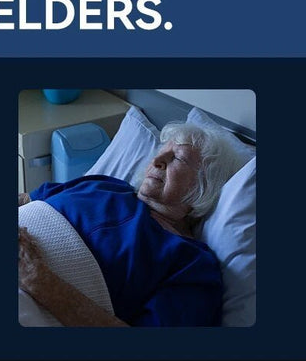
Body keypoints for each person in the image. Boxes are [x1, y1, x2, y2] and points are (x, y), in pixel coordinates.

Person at [17, 122, 233, 326]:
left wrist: (38, 279)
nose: (158, 160)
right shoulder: (106, 184)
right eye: (161, 151)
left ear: (205, 184)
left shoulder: (192, 264)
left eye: (178, 158)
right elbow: (27, 199)